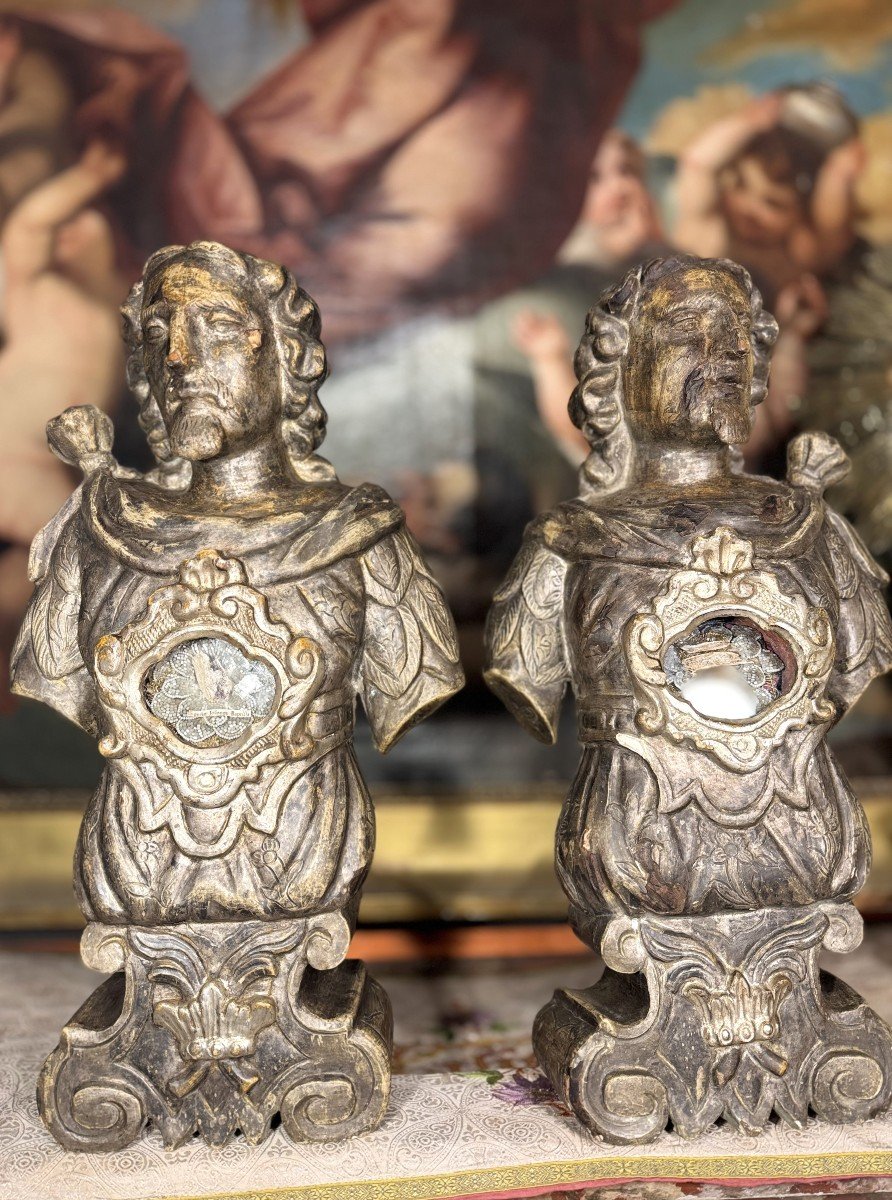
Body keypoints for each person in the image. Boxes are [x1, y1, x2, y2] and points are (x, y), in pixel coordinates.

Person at [11, 240, 463, 924]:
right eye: (160, 335)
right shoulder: (104, 532)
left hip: (305, 870)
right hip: (133, 876)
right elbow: (50, 675)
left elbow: (416, 679)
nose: (180, 360)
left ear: (287, 360)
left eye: (217, 328)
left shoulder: (356, 536)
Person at [512, 130, 664, 465]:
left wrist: (654, 245)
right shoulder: (557, 258)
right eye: (594, 178)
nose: (620, 188)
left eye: (627, 171)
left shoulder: (656, 243)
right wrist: (618, 252)